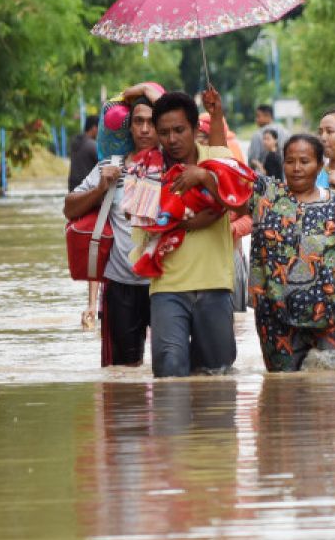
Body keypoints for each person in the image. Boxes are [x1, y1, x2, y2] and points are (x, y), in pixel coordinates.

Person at [238, 134, 335, 372]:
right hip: (275, 315)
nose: (297, 168)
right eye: (290, 161)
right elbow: (227, 175)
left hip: (327, 314)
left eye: (305, 161)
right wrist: (216, 117)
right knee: (283, 392)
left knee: (329, 390)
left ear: (320, 165)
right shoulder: (265, 195)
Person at [131, 90, 238, 378]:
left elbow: (237, 199)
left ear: (193, 129)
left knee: (217, 376)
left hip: (214, 283)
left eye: (179, 130)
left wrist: (203, 177)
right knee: (169, 374)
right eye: (164, 132)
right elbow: (142, 223)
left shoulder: (216, 159)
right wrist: (186, 219)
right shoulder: (144, 171)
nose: (172, 139)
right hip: (166, 286)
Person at [64, 97, 158, 366]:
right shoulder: (111, 166)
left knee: (170, 368)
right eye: (138, 121)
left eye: (152, 122)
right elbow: (69, 209)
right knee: (123, 373)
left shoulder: (174, 168)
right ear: (128, 128)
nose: (144, 129)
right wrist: (99, 189)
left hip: (165, 285)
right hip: (121, 286)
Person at [247, 104, 290, 170]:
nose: (256, 119)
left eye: (258, 116)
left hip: (264, 177)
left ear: (268, 116)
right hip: (283, 175)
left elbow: (252, 160)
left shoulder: (257, 135)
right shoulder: (285, 132)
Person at [68, 115, 99, 192]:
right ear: (94, 128)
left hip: (73, 188)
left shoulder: (75, 142)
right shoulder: (92, 145)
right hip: (86, 189)